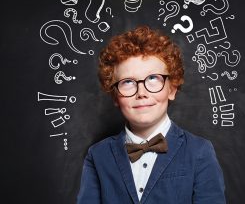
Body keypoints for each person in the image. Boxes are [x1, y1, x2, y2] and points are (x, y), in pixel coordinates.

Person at [77, 25, 226, 203]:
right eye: (127, 82)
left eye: (153, 78)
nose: (141, 92)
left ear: (172, 89)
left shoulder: (199, 151)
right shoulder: (97, 155)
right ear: (115, 95)